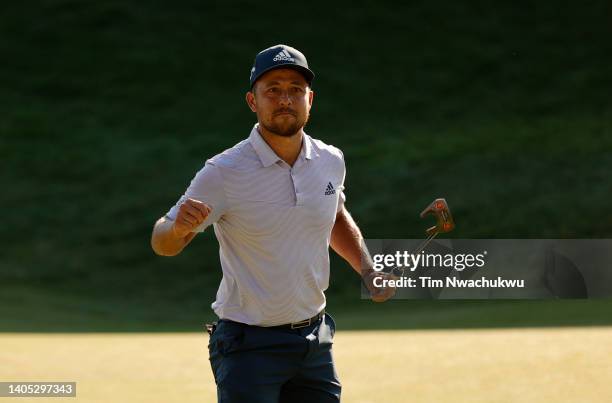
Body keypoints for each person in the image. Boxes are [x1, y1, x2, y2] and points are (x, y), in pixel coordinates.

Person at [151, 44, 396, 403]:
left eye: (295, 90)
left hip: (315, 341)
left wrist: (367, 268)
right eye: (273, 89)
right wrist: (177, 229)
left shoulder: (330, 160)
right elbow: (163, 242)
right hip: (249, 347)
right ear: (253, 101)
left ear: (310, 99)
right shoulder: (223, 171)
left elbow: (333, 216)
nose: (285, 99)